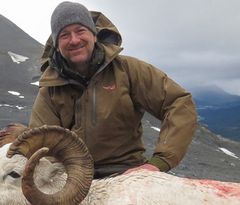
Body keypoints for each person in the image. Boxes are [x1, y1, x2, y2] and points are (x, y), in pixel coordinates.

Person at [29, 1, 198, 178]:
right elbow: (41, 144)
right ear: (56, 45)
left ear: (94, 36)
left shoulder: (128, 70)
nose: (74, 40)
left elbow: (179, 102)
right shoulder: (50, 89)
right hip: (72, 179)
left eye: (80, 31)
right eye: (64, 35)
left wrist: (159, 163)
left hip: (128, 174)